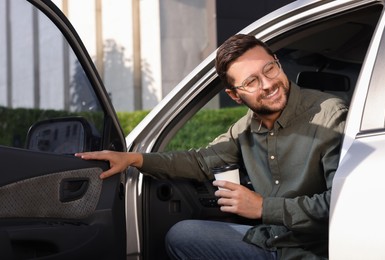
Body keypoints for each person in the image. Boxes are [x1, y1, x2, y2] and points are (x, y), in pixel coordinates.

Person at [76, 34, 348, 259]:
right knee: (182, 235)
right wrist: (135, 159)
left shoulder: (329, 115)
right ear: (235, 95)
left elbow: (342, 204)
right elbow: (199, 162)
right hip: (271, 242)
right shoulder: (244, 129)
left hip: (318, 251)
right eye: (251, 81)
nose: (268, 84)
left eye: (270, 69)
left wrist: (264, 208)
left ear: (278, 63)